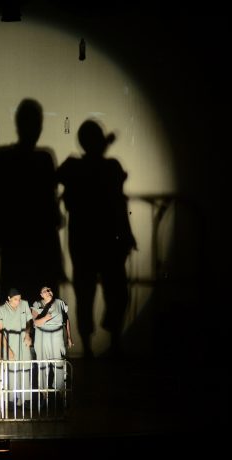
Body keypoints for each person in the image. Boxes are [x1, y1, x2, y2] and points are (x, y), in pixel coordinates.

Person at [57, 119, 137, 358]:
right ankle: (113, 341)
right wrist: (126, 234)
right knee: (115, 292)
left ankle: (88, 347)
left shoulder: (74, 167)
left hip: (83, 240)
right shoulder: (111, 167)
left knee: (86, 293)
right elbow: (118, 203)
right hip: (109, 240)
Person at [0, 99, 64, 302]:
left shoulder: (3, 157)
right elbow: (50, 204)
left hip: (13, 243)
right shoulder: (44, 159)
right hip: (42, 245)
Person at [0, 288, 34, 410]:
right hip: (10, 344)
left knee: (25, 370)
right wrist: (7, 349)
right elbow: (0, 331)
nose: (18, 301)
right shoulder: (1, 309)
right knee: (11, 372)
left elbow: (29, 321)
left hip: (23, 342)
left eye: (19, 299)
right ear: (9, 298)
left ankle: (26, 399)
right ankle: (11, 400)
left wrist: (27, 334)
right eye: (16, 299)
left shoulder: (24, 304)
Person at [31, 286, 73, 396]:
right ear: (41, 295)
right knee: (42, 363)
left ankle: (60, 391)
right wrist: (45, 318)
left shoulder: (60, 303)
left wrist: (69, 337)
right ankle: (43, 392)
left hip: (57, 336)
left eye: (49, 290)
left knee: (59, 363)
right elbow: (35, 322)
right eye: (45, 291)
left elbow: (66, 320)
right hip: (42, 337)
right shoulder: (37, 304)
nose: (48, 292)